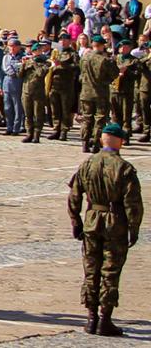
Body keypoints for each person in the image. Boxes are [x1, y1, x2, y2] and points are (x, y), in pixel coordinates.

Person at [69, 122, 141, 336]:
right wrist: (133, 228)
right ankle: (105, 319)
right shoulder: (124, 168)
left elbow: (74, 195)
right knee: (110, 271)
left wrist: (76, 221)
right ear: (120, 141)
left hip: (92, 220)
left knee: (91, 269)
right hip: (114, 222)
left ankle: (91, 318)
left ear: (102, 140)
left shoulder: (88, 164)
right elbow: (133, 203)